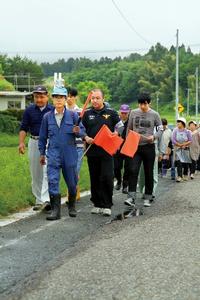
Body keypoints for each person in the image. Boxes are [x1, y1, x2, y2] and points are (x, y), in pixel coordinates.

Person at [38, 86, 85, 220]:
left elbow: (82, 132)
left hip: (69, 152)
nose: (58, 100)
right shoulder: (47, 117)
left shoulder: (73, 115)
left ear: (65, 99)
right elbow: (42, 137)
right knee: (52, 180)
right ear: (52, 99)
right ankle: (55, 211)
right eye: (56, 97)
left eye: (61, 97)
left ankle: (72, 206)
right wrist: (42, 153)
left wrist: (78, 131)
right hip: (53, 153)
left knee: (72, 182)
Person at [82, 89, 121, 216]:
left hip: (107, 151)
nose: (94, 100)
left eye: (97, 98)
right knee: (95, 178)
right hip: (92, 151)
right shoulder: (87, 114)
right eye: (93, 98)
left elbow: (120, 126)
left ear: (103, 99)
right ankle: (97, 203)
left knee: (107, 177)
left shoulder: (111, 113)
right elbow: (81, 130)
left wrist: (116, 132)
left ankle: (107, 204)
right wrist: (86, 138)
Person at [124, 92, 162, 207]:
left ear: (149, 103)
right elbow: (129, 129)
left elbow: (160, 130)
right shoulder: (134, 113)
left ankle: (148, 196)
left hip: (149, 147)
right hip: (135, 147)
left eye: (144, 104)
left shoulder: (155, 114)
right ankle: (131, 197)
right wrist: (127, 143)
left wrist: (154, 137)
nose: (142, 106)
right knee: (133, 170)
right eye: (140, 104)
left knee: (148, 172)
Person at [19, 85, 52, 211]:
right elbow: (23, 128)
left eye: (41, 97)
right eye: (36, 97)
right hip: (34, 141)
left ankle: (46, 199)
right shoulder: (29, 110)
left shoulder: (53, 109)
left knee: (46, 170)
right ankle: (39, 200)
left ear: (47, 96)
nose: (39, 99)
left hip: (49, 143)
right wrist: (21, 143)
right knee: (35, 172)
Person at [66, 87, 84, 200]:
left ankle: (72, 193)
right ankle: (73, 190)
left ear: (75, 97)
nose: (69, 98)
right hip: (67, 145)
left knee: (75, 169)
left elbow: (83, 130)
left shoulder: (81, 112)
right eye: (67, 96)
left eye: (71, 96)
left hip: (78, 145)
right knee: (69, 170)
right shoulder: (61, 111)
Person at [114, 104, 130, 193]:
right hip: (117, 146)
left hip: (127, 146)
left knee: (127, 167)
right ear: (120, 112)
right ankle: (119, 181)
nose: (124, 115)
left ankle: (125, 185)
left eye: (125, 113)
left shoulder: (130, 122)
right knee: (116, 167)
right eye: (122, 113)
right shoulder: (116, 121)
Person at [172, 117, 192, 182]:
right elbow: (173, 140)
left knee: (185, 162)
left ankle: (185, 174)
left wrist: (184, 144)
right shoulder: (175, 130)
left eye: (179, 122)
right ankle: (179, 176)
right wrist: (179, 145)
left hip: (185, 148)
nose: (177, 124)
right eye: (177, 122)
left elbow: (190, 140)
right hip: (178, 148)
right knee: (179, 163)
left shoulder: (187, 131)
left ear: (183, 123)